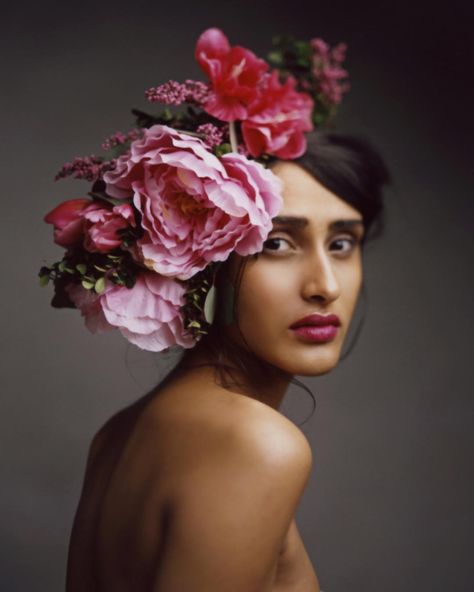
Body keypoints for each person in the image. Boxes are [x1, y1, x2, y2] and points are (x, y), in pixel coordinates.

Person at [39, 28, 388, 591]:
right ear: (202, 255)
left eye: (342, 243)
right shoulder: (255, 443)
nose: (325, 285)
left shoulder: (120, 434)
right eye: (277, 243)